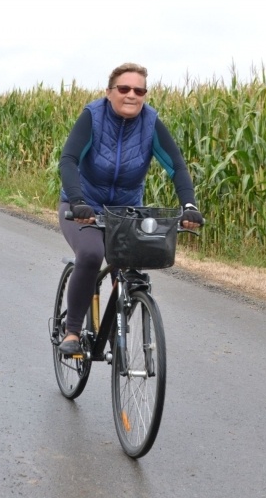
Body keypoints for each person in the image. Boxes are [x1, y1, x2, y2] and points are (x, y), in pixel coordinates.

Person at [56, 62, 204, 355]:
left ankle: (116, 327)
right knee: (91, 254)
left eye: (139, 90)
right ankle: (72, 331)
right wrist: (77, 201)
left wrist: (189, 205)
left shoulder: (150, 123)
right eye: (124, 88)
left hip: (125, 212)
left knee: (131, 269)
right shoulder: (93, 116)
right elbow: (69, 159)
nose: (131, 95)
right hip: (84, 207)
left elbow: (176, 166)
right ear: (109, 91)